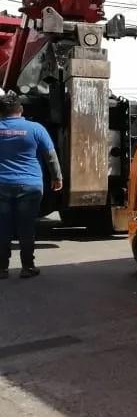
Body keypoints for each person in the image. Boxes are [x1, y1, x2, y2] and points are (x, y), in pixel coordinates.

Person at [0, 92, 63, 278]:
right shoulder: (36, 129)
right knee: (26, 227)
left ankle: (1, 268)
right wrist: (57, 177)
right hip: (30, 186)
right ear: (20, 110)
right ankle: (28, 267)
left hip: (2, 185)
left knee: (3, 227)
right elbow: (50, 156)